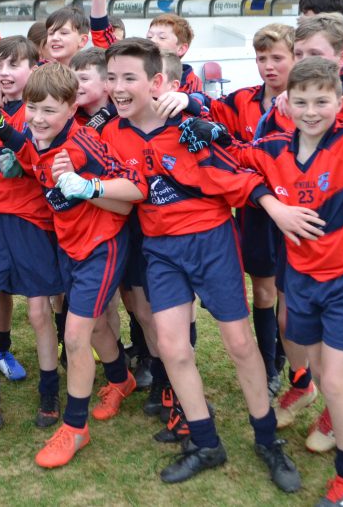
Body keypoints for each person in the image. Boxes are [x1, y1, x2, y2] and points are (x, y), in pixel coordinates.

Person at [185, 3, 343, 507]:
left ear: (339, 103)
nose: (312, 111)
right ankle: (309, 394)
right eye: (302, 101)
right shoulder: (273, 148)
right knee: (309, 358)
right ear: (285, 103)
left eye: (322, 101)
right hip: (304, 277)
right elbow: (233, 162)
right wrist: (205, 137)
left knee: (337, 382)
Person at [101, 37, 304, 491]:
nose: (116, 87)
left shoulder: (190, 123)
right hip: (160, 250)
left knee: (239, 344)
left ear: (156, 82)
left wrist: (276, 209)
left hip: (211, 243)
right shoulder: (111, 133)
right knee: (173, 348)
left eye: (128, 78)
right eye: (111, 77)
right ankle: (206, 441)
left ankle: (267, 439)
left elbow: (236, 174)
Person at [0, 62, 145, 469]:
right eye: (32, 108)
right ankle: (121, 380)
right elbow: (30, 149)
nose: (37, 118)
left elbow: (132, 193)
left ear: (71, 108)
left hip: (101, 245)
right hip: (70, 245)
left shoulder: (82, 145)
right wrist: (1, 127)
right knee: (97, 323)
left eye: (49, 110)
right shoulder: (38, 135)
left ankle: (75, 427)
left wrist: (89, 188)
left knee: (77, 333)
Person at [0, 37, 64, 431]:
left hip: (31, 222)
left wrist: (20, 157)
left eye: (14, 66)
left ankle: (49, 392)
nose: (5, 74)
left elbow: (45, 163)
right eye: (0, 66)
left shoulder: (38, 112)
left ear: (33, 67)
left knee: (40, 313)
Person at [206, 24, 297, 396]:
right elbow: (208, 114)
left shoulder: (308, 105)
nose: (269, 66)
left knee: (291, 296)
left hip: (296, 210)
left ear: (296, 58)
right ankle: (267, 364)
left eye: (278, 58)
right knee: (263, 291)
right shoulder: (241, 100)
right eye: (262, 59)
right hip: (256, 210)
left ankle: (290, 363)